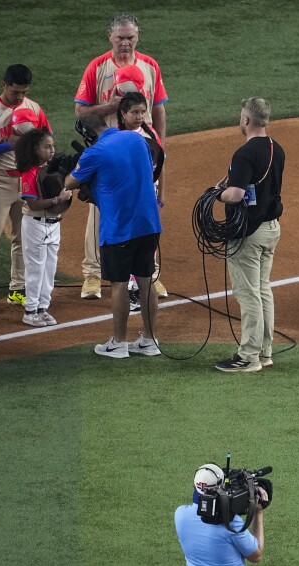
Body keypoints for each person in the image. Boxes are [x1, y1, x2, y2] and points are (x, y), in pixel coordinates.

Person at [75, 11, 169, 300]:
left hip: (143, 150)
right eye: (120, 38)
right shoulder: (97, 67)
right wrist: (109, 107)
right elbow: (81, 112)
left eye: (130, 37)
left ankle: (149, 273)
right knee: (99, 210)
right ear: (110, 38)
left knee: (145, 209)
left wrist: (161, 147)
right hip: (109, 151)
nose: (125, 43)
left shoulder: (150, 66)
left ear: (138, 36)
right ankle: (91, 274)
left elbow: (158, 109)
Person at [65, 113, 162, 359]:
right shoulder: (136, 139)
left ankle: (118, 343)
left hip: (119, 228)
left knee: (119, 283)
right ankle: (150, 341)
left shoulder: (93, 154)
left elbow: (70, 183)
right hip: (149, 223)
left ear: (87, 135)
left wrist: (76, 167)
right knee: (145, 279)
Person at [0, 64, 50, 316]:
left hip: (26, 181)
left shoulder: (34, 109)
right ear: (4, 85)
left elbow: (47, 138)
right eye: (15, 91)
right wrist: (7, 146)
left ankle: (17, 288)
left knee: (22, 237)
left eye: (23, 92)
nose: (19, 97)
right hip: (0, 181)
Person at [214, 98, 285, 372]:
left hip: (249, 234)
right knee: (263, 290)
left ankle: (248, 357)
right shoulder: (276, 149)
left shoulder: (244, 153)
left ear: (247, 120)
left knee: (248, 294)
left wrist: (215, 194)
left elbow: (236, 195)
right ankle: (265, 353)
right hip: (270, 229)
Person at [15, 128, 74, 327]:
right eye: (46, 147)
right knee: (36, 269)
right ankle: (30, 311)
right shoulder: (28, 173)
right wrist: (58, 198)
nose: (51, 150)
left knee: (49, 269)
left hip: (54, 224)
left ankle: (43, 308)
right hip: (35, 224)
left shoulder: (52, 170)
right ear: (35, 149)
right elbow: (33, 204)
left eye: (52, 146)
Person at [118, 92, 166, 313]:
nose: (139, 116)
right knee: (129, 239)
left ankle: (139, 285)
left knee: (147, 238)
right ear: (123, 113)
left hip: (148, 196)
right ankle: (130, 288)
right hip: (128, 198)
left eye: (142, 111)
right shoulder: (117, 136)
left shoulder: (150, 133)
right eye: (134, 112)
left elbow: (161, 166)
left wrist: (161, 195)